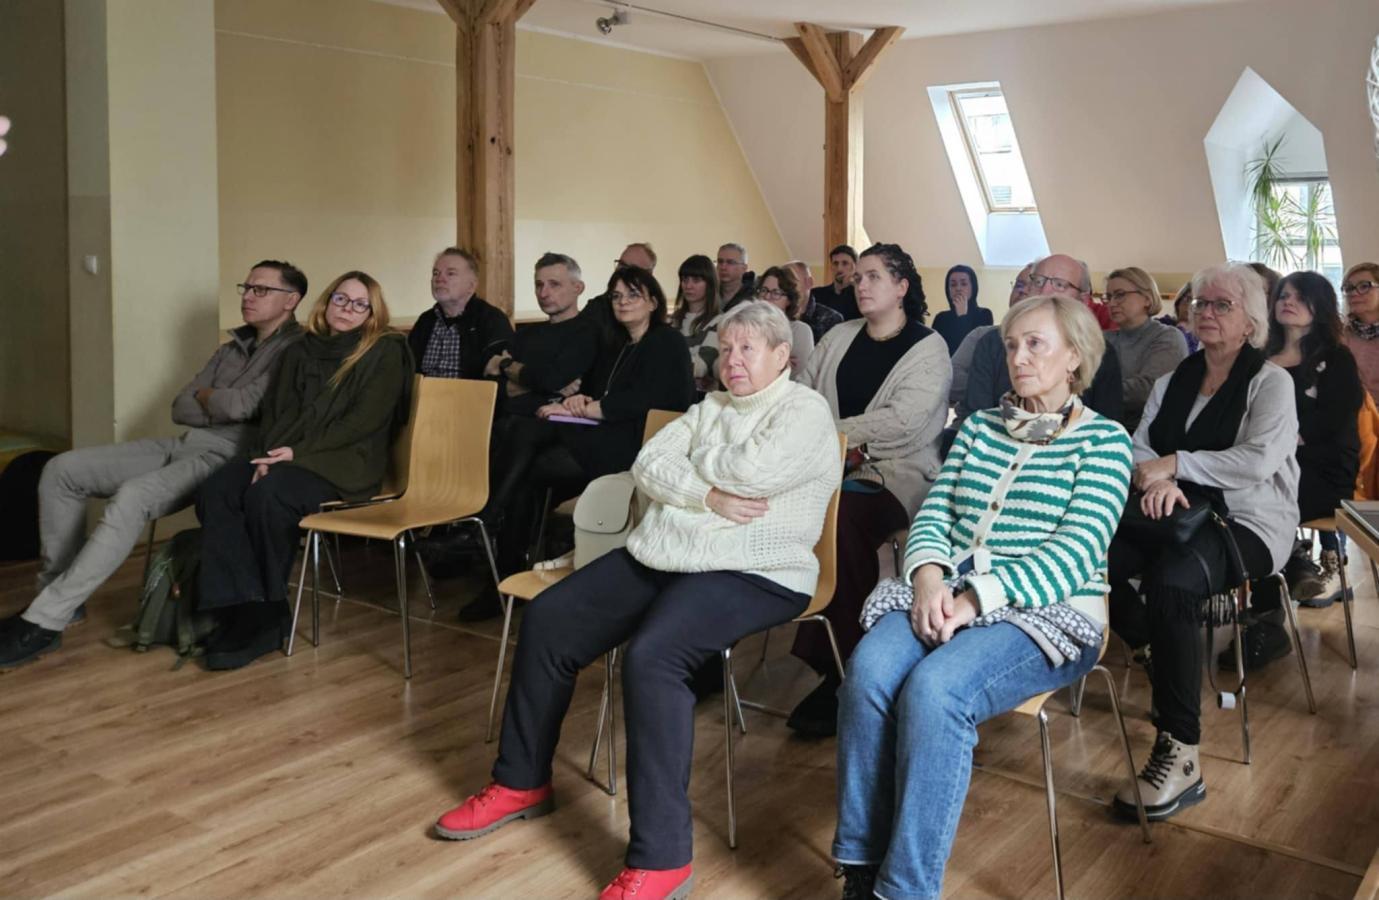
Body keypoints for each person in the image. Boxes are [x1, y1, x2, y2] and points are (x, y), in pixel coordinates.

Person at [433, 301, 842, 900]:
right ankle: (520, 782)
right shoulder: (710, 407)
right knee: (549, 616)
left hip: (757, 568)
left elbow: (754, 473)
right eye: (727, 348)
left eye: (748, 349)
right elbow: (648, 462)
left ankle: (663, 857)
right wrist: (708, 495)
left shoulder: (804, 411)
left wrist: (691, 472)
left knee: (654, 656)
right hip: (669, 552)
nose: (732, 360)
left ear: (783, 356)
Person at [833, 294, 1131, 900]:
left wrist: (973, 599)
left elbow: (1075, 553)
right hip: (946, 591)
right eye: (1012, 345)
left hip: (1048, 611)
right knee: (867, 672)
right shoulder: (979, 428)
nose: (1018, 358)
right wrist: (926, 577)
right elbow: (934, 514)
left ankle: (905, 889)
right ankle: (861, 866)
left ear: (1074, 356)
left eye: (1035, 344)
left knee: (936, 690)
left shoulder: (1105, 442)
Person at [0, 262, 307, 669]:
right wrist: (216, 402)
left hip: (228, 456)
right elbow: (180, 406)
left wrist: (208, 398)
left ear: (291, 300)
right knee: (62, 469)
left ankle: (42, 622)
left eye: (261, 289)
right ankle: (59, 599)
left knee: (133, 496)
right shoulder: (230, 348)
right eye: (246, 287)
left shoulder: (296, 350)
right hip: (185, 442)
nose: (248, 296)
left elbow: (243, 406)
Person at [1108, 263, 1298, 821]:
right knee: (1092, 556)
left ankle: (1181, 752)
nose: (1206, 312)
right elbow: (1139, 446)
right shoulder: (1174, 380)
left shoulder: (1270, 383)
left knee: (1173, 581)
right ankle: (1152, 644)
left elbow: (1257, 460)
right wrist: (1158, 478)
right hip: (1167, 510)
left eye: (1221, 305)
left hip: (1248, 520)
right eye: (1199, 304)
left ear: (1250, 323)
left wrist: (1177, 466)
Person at [195, 271, 414, 670]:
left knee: (269, 496)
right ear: (327, 302)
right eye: (340, 299)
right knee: (219, 489)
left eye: (359, 304)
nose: (347, 309)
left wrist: (293, 455)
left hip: (344, 459)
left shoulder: (384, 350)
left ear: (372, 313)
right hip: (283, 452)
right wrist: (266, 457)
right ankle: (245, 606)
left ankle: (263, 619)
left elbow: (362, 422)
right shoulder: (300, 349)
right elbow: (277, 413)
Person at [462, 265, 695, 620]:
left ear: (653, 302)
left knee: (527, 437)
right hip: (599, 436)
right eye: (616, 296)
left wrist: (593, 408)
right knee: (527, 471)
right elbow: (593, 391)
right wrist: (576, 402)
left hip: (638, 446)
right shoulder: (617, 344)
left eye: (633, 295)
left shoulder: (667, 341)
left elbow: (659, 399)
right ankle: (503, 570)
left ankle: (485, 521)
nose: (622, 302)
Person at [788, 243, 951, 736]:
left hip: (898, 472)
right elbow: (802, 393)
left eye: (873, 276)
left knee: (842, 519)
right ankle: (716, 641)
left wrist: (828, 434)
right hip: (822, 464)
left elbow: (903, 424)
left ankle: (841, 670)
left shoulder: (928, 347)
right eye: (857, 277)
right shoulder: (839, 335)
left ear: (901, 287)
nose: (860, 284)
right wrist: (822, 439)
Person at [1264, 271, 1362, 607]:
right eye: (1283, 295)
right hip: (1269, 461)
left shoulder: (1336, 357)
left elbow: (1335, 418)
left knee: (1265, 496)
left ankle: (1298, 567)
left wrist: (1283, 441)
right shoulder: (1260, 357)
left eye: (1299, 296)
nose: (1288, 302)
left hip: (1323, 466)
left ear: (1319, 305)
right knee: (1242, 489)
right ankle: (1291, 565)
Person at [956, 254, 1124, 428]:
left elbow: (1107, 423)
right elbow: (976, 420)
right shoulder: (991, 342)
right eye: (1038, 281)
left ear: (1083, 299)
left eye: (1059, 285)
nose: (1044, 291)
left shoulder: (1099, 351)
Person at [483, 252, 597, 418]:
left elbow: (551, 380)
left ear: (578, 288)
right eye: (539, 285)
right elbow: (491, 386)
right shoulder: (525, 334)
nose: (543, 293)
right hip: (507, 422)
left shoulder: (588, 332)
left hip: (555, 427)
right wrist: (547, 388)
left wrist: (504, 363)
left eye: (554, 284)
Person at [1103, 266, 1189, 432]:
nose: (1112, 303)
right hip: (1103, 426)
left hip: (1147, 433)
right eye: (1109, 297)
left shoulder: (1168, 336)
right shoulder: (1103, 339)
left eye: (1120, 295)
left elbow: (1147, 390)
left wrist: (1091, 391)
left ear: (1147, 299)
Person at [408, 247, 513, 379]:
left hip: (470, 392)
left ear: (471, 286)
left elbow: (500, 377)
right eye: (436, 273)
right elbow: (407, 369)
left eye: (450, 273)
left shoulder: (492, 320)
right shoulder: (425, 321)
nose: (439, 279)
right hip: (423, 391)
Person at [948, 263, 1032, 409]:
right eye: (1018, 285)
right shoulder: (982, 335)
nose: (1022, 291)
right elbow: (951, 379)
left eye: (1031, 286)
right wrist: (988, 385)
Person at [583, 243, 659, 356]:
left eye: (632, 269)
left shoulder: (664, 336)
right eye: (621, 265)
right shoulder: (597, 307)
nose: (622, 271)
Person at [669, 254, 721, 396]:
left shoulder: (720, 321)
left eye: (696, 280)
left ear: (709, 284)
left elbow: (701, 366)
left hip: (700, 398)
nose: (688, 285)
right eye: (685, 279)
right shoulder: (672, 320)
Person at [754, 264, 814, 374]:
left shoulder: (800, 331)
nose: (767, 297)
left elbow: (799, 374)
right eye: (764, 290)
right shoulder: (747, 327)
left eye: (776, 293)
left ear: (789, 300)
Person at [931, 264, 993, 355]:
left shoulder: (984, 314)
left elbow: (976, 350)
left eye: (964, 284)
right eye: (953, 285)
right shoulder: (941, 318)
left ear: (973, 287)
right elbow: (936, 350)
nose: (958, 288)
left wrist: (962, 317)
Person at [1342, 262, 1379, 403]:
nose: (1353, 293)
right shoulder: (1340, 333)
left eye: (1364, 286)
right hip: (1349, 410)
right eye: (1349, 288)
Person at [787, 258, 844, 342]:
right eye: (782, 285)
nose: (786, 289)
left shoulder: (831, 319)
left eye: (791, 283)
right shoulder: (777, 315)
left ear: (809, 283)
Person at [812, 244, 860, 320]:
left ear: (855, 267)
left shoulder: (860, 296)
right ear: (831, 267)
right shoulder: (816, 295)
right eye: (835, 263)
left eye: (845, 263)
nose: (839, 268)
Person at [1160, 282, 1200, 354]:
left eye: (1197, 303)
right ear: (1178, 303)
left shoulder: (1202, 335)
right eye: (1188, 299)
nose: (1190, 306)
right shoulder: (1162, 324)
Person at [716, 242, 755, 310]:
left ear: (744, 268)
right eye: (720, 262)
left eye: (730, 262)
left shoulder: (753, 298)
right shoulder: (709, 292)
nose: (723, 267)